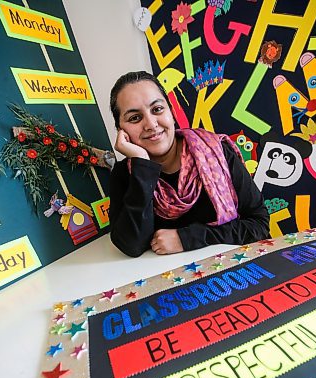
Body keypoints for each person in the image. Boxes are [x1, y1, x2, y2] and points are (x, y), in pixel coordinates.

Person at [109, 71, 270, 257]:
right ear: (122, 130)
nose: (151, 124)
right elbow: (131, 245)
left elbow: (258, 224)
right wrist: (142, 167)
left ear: (171, 111)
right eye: (135, 118)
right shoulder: (125, 174)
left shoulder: (216, 152)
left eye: (157, 109)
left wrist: (187, 238)